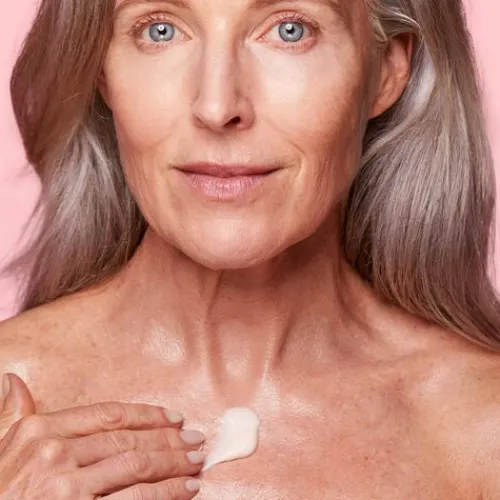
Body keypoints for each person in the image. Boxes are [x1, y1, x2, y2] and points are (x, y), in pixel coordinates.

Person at [1, 0, 500, 497]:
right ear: (102, 71)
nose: (217, 108)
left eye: (290, 30)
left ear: (386, 70)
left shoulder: (480, 432)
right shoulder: (11, 400)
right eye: (160, 31)